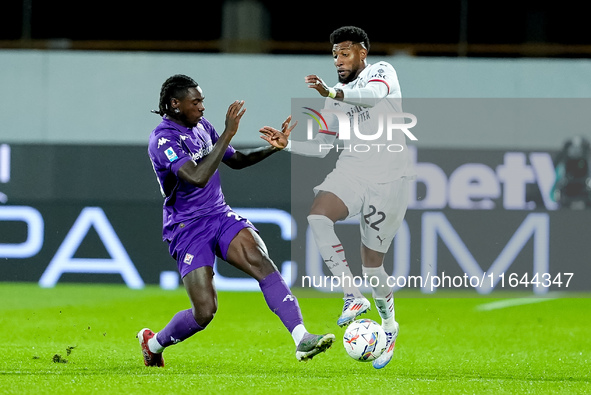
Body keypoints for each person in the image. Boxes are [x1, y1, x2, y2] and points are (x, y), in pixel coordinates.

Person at [139, 74, 334, 367]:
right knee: (204, 312)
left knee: (261, 261)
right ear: (175, 104)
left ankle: (301, 337)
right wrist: (228, 133)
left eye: (202, 101)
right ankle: (152, 344)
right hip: (187, 227)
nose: (203, 108)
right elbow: (197, 176)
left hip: (219, 214)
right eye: (196, 102)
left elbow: (237, 160)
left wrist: (275, 147)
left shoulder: (202, 127)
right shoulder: (163, 139)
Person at [260, 26, 415, 369]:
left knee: (373, 265)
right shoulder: (334, 96)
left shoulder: (382, 72)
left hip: (390, 176)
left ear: (362, 52)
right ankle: (351, 295)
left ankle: (389, 326)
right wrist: (289, 146)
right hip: (354, 169)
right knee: (318, 215)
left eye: (345, 53)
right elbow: (322, 147)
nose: (339, 60)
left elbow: (373, 97)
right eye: (334, 55)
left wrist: (332, 91)